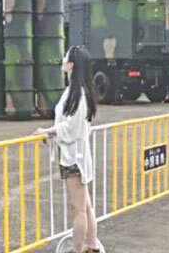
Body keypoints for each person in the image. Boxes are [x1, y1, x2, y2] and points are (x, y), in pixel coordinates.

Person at [32, 45, 100, 253]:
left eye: (66, 57)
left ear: (71, 64)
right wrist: (51, 135)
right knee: (85, 207)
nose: (62, 59)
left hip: (75, 160)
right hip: (74, 156)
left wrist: (48, 131)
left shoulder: (78, 94)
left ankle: (78, 248)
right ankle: (91, 246)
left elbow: (70, 127)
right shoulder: (75, 91)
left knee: (78, 209)